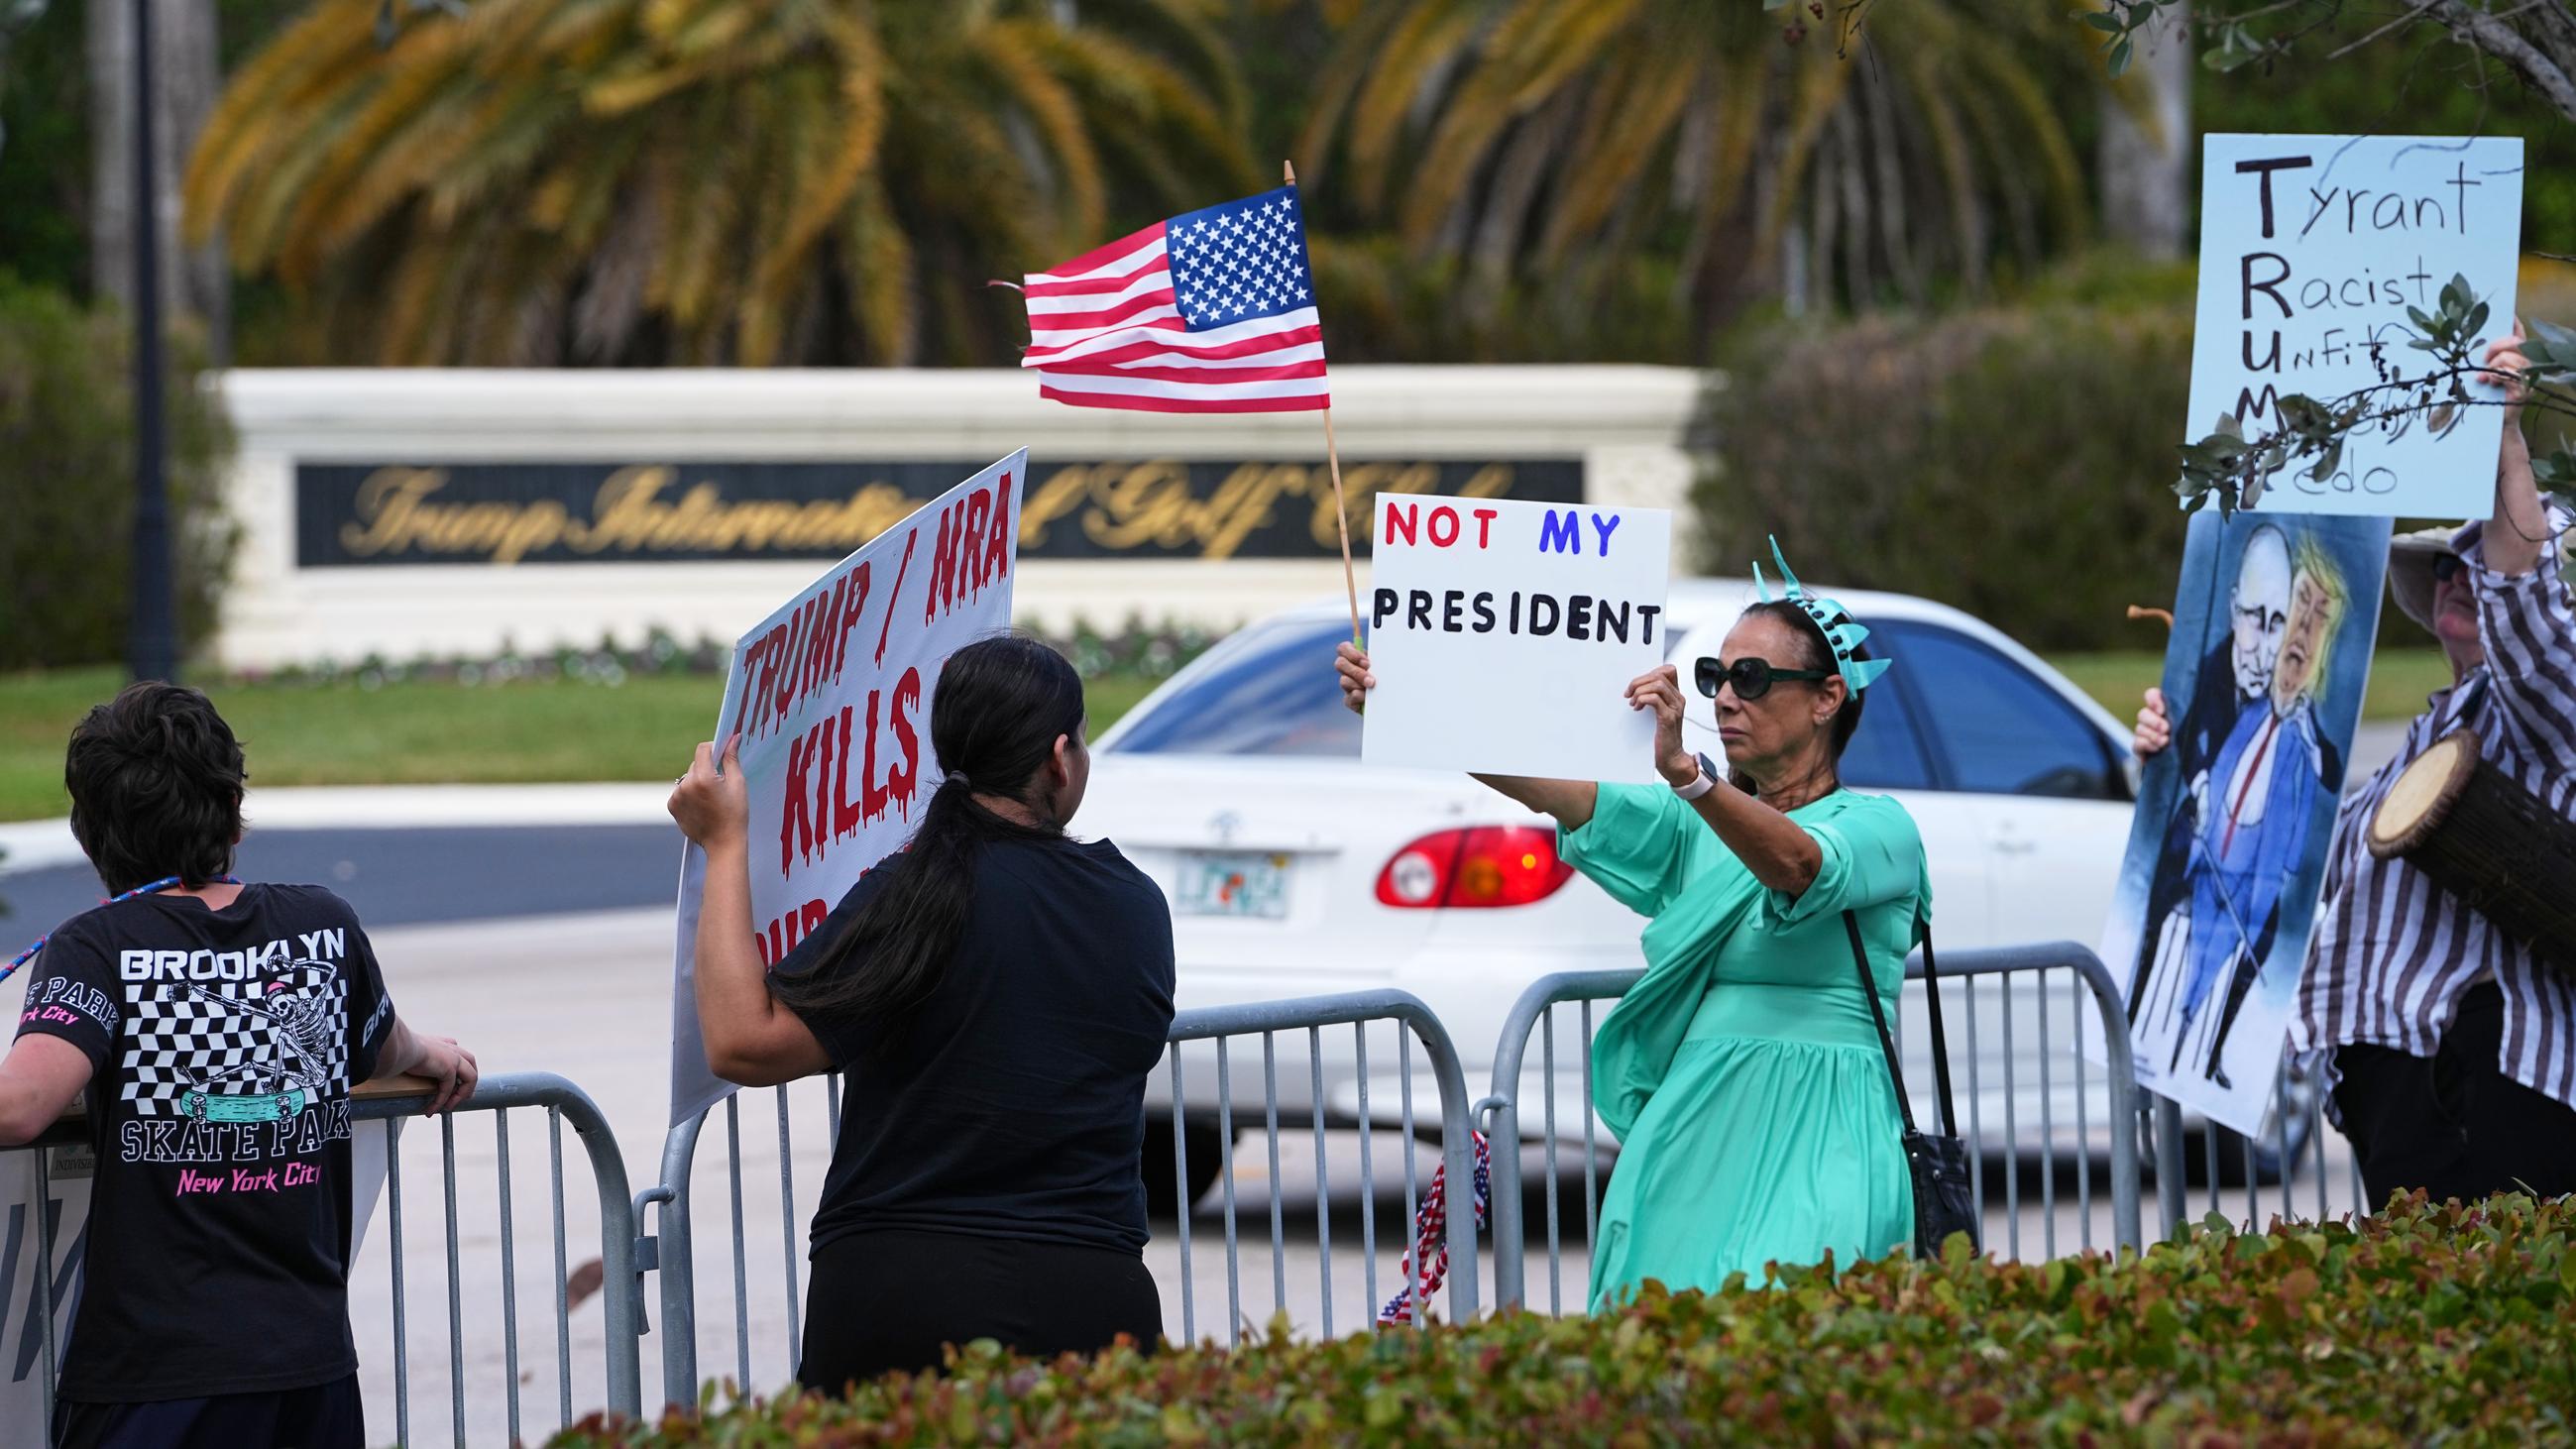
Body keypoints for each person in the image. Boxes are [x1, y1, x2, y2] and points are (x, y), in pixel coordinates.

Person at [1335, 541, 1929, 1307]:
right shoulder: (1695, 824)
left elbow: (1801, 868)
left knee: (1804, 1343)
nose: (1722, 699)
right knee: (1659, 1348)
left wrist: (1690, 777)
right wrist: (1407, 708)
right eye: (1714, 677)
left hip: (1825, 1134)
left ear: (1826, 698)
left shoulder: (1881, 827)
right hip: (1689, 1135)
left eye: (1750, 679)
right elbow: (1560, 795)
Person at [2134, 327, 2576, 1204]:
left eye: (2475, 559)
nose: (2461, 574)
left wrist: (2502, 437)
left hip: (2496, 1077)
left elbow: (2530, 606)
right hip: (2399, 1086)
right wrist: (2174, 755)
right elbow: (2271, 861)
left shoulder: (2556, 707)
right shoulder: (2414, 744)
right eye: (2447, 563)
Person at [667, 635, 1175, 1393]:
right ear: (1059, 759)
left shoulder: (914, 891)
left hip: (894, 1298)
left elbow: (744, 1043)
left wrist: (725, 842)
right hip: (1090, 1301)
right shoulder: (1136, 905)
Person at [0, 682, 478, 1449]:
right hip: (310, 1377)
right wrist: (433, 1056)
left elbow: (21, 1103)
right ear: (231, 810)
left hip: (156, 1383)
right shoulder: (324, 924)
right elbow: (386, 1047)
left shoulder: (98, 945)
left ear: (89, 832)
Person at [2159, 548, 2343, 1086]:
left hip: (2258, 871)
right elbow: (2203, 752)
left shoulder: (2306, 738)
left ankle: (2213, 1049)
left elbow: (2320, 781)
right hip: (2215, 852)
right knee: (2193, 950)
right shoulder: (2243, 699)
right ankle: (2179, 1031)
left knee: (2247, 948)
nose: (2294, 658)